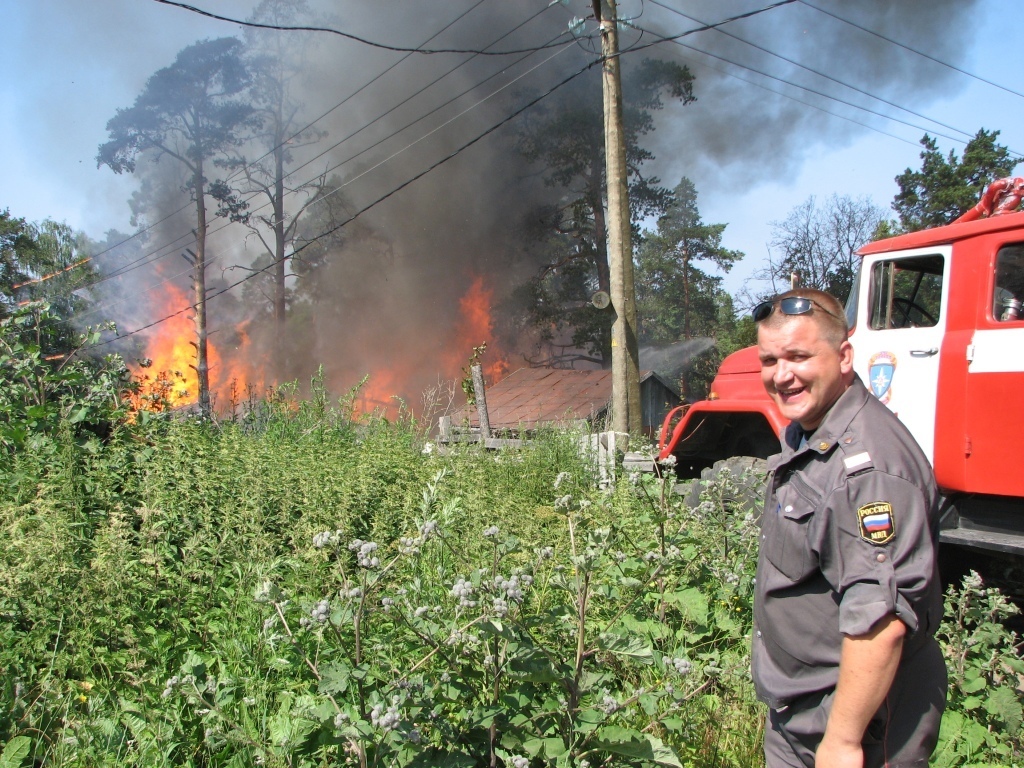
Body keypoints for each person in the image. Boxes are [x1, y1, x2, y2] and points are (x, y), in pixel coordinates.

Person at [750, 288, 946, 768]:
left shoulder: (866, 470)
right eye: (770, 359)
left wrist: (842, 742)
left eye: (799, 356)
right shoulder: (810, 435)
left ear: (843, 357)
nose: (782, 375)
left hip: (851, 726)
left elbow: (880, 623)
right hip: (802, 716)